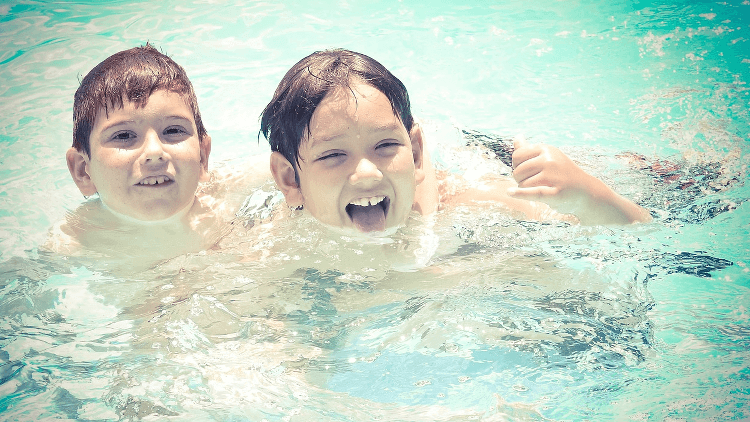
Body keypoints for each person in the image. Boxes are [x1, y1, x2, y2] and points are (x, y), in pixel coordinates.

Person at [260, 48, 651, 234]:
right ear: (290, 179)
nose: (365, 174)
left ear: (414, 152)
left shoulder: (467, 207)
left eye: (385, 147)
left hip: (490, 163)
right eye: (333, 155)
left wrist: (589, 196)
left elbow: (640, 229)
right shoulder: (270, 236)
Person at [48, 44, 265, 269]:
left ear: (202, 156)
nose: (154, 152)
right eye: (123, 135)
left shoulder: (224, 195)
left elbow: (291, 166)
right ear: (83, 171)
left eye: (173, 131)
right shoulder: (74, 241)